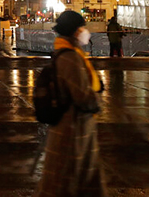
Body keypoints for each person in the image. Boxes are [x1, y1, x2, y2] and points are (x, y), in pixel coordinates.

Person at [35, 10, 107, 197]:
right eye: (82, 27)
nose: (85, 31)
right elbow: (81, 95)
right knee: (65, 181)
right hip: (72, 129)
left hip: (76, 127)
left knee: (77, 180)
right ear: (75, 31)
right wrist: (97, 99)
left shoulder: (66, 52)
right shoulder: (70, 57)